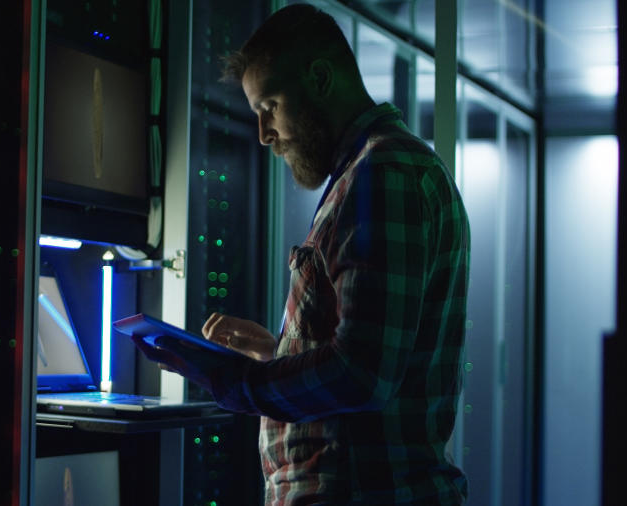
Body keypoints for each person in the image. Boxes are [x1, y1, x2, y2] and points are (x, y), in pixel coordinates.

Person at [132, 4, 471, 504]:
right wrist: (278, 354)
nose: (265, 134)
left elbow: (364, 377)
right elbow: (369, 362)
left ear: (319, 77)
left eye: (269, 105)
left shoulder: (384, 173)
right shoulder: (371, 172)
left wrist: (236, 380)